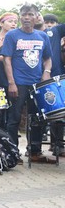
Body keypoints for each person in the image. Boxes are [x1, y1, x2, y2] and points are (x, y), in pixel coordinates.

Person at [1, 4, 53, 163]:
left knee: (38, 118)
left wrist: (46, 73)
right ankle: (13, 152)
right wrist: (11, 82)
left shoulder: (42, 36)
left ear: (37, 16)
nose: (26, 18)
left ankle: (34, 151)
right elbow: (6, 59)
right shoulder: (12, 35)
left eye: (30, 14)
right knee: (14, 119)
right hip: (18, 83)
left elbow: (48, 59)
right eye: (23, 14)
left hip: (37, 84)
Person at [0, 12, 18, 130]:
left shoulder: (18, 39)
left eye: (15, 22)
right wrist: (4, 55)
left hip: (14, 80)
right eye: (10, 21)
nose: (13, 24)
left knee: (13, 114)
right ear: (1, 23)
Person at [42, 13, 65, 155]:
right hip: (39, 79)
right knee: (42, 115)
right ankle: (35, 147)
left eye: (52, 22)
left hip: (58, 77)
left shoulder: (56, 33)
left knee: (59, 113)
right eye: (47, 22)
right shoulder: (37, 32)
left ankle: (57, 145)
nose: (49, 25)